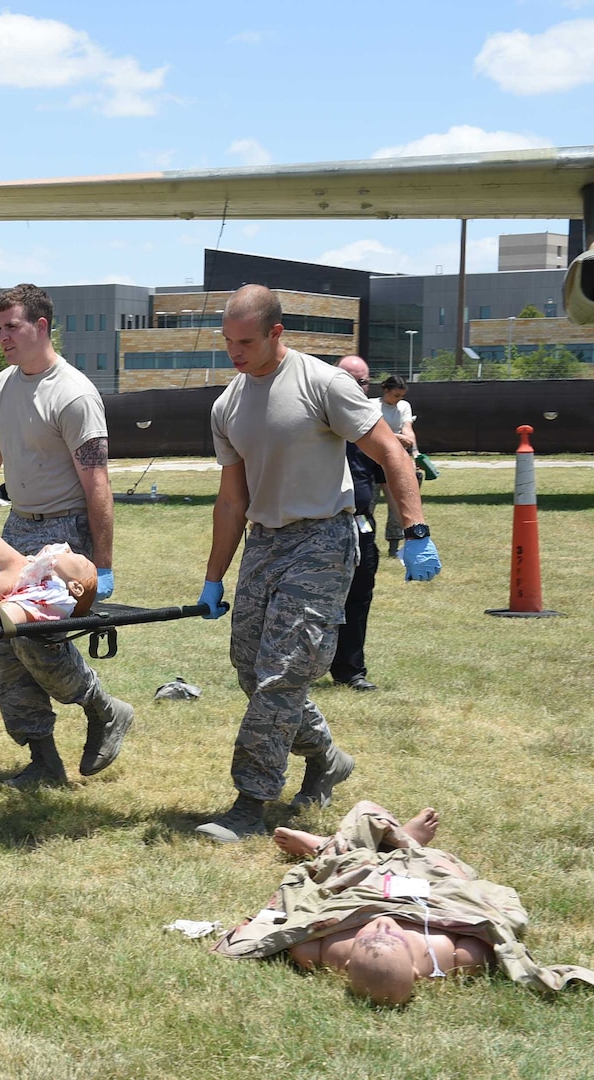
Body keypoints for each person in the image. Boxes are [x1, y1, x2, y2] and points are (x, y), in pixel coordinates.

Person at [192, 285, 440, 843]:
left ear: (277, 333)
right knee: (252, 672)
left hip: (324, 541)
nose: (235, 352)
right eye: (228, 342)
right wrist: (213, 577)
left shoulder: (321, 383)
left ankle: (250, 803)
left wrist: (415, 530)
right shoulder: (227, 404)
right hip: (263, 543)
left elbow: (390, 452)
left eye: (246, 342)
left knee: (282, 673)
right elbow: (232, 499)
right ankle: (327, 756)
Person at [0, 283, 133, 788]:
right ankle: (44, 760)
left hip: (66, 533)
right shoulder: (1, 386)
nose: (3, 336)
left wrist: (104, 564)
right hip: (19, 525)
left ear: (41, 327)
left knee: (36, 646)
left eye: (13, 326)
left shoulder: (72, 394)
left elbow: (97, 482)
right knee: (6, 644)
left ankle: (104, 709)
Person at [213, 801, 594, 1004]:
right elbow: (485, 921)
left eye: (374, 935)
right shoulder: (455, 958)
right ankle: (408, 846)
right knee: (442, 872)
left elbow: (297, 920)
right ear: (416, 964)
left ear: (347, 963)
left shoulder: (319, 952)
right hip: (423, 897)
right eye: (394, 938)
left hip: (364, 891)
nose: (385, 926)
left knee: (358, 833)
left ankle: (332, 849)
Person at [329, 357, 380, 693]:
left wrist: (413, 530)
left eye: (362, 382)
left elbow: (387, 476)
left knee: (358, 597)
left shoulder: (371, 429)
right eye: (350, 380)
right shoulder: (321, 423)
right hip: (323, 527)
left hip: (361, 526)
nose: (357, 388)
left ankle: (350, 669)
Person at [377, 375, 419, 558]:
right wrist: (397, 438)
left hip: (395, 459)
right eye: (396, 395)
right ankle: (364, 544)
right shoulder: (371, 406)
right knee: (365, 506)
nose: (398, 399)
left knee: (396, 503)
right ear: (385, 390)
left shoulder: (404, 406)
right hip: (372, 460)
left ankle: (394, 547)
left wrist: (415, 453)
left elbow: (408, 430)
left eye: (401, 395)